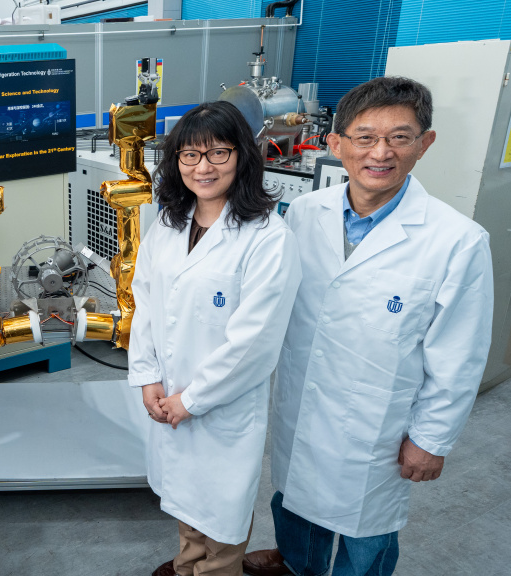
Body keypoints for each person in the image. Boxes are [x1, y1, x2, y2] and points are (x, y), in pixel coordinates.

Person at [243, 76, 494, 576]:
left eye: (400, 137)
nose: (380, 152)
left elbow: (459, 355)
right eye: (364, 136)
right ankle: (296, 563)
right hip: (303, 397)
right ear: (336, 144)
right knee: (292, 496)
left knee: (366, 533)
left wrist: (431, 439)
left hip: (378, 420)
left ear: (425, 143)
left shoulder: (458, 241)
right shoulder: (306, 213)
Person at [129, 101, 302, 576]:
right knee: (186, 504)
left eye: (218, 154)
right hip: (167, 397)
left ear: (242, 156)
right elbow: (146, 302)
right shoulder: (168, 223)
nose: (202, 167)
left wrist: (192, 399)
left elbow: (255, 343)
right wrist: (147, 378)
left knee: (222, 523)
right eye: (189, 156)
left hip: (221, 406)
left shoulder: (268, 237)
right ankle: (187, 566)